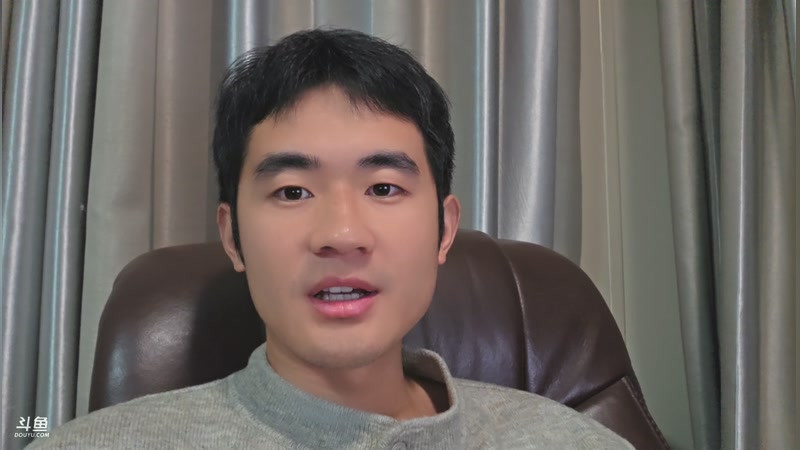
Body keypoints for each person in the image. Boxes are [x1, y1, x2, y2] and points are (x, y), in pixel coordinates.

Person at [29, 28, 632, 449]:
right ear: (232, 238)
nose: (342, 235)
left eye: (384, 188)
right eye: (292, 191)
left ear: (444, 229)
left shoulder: (568, 441)